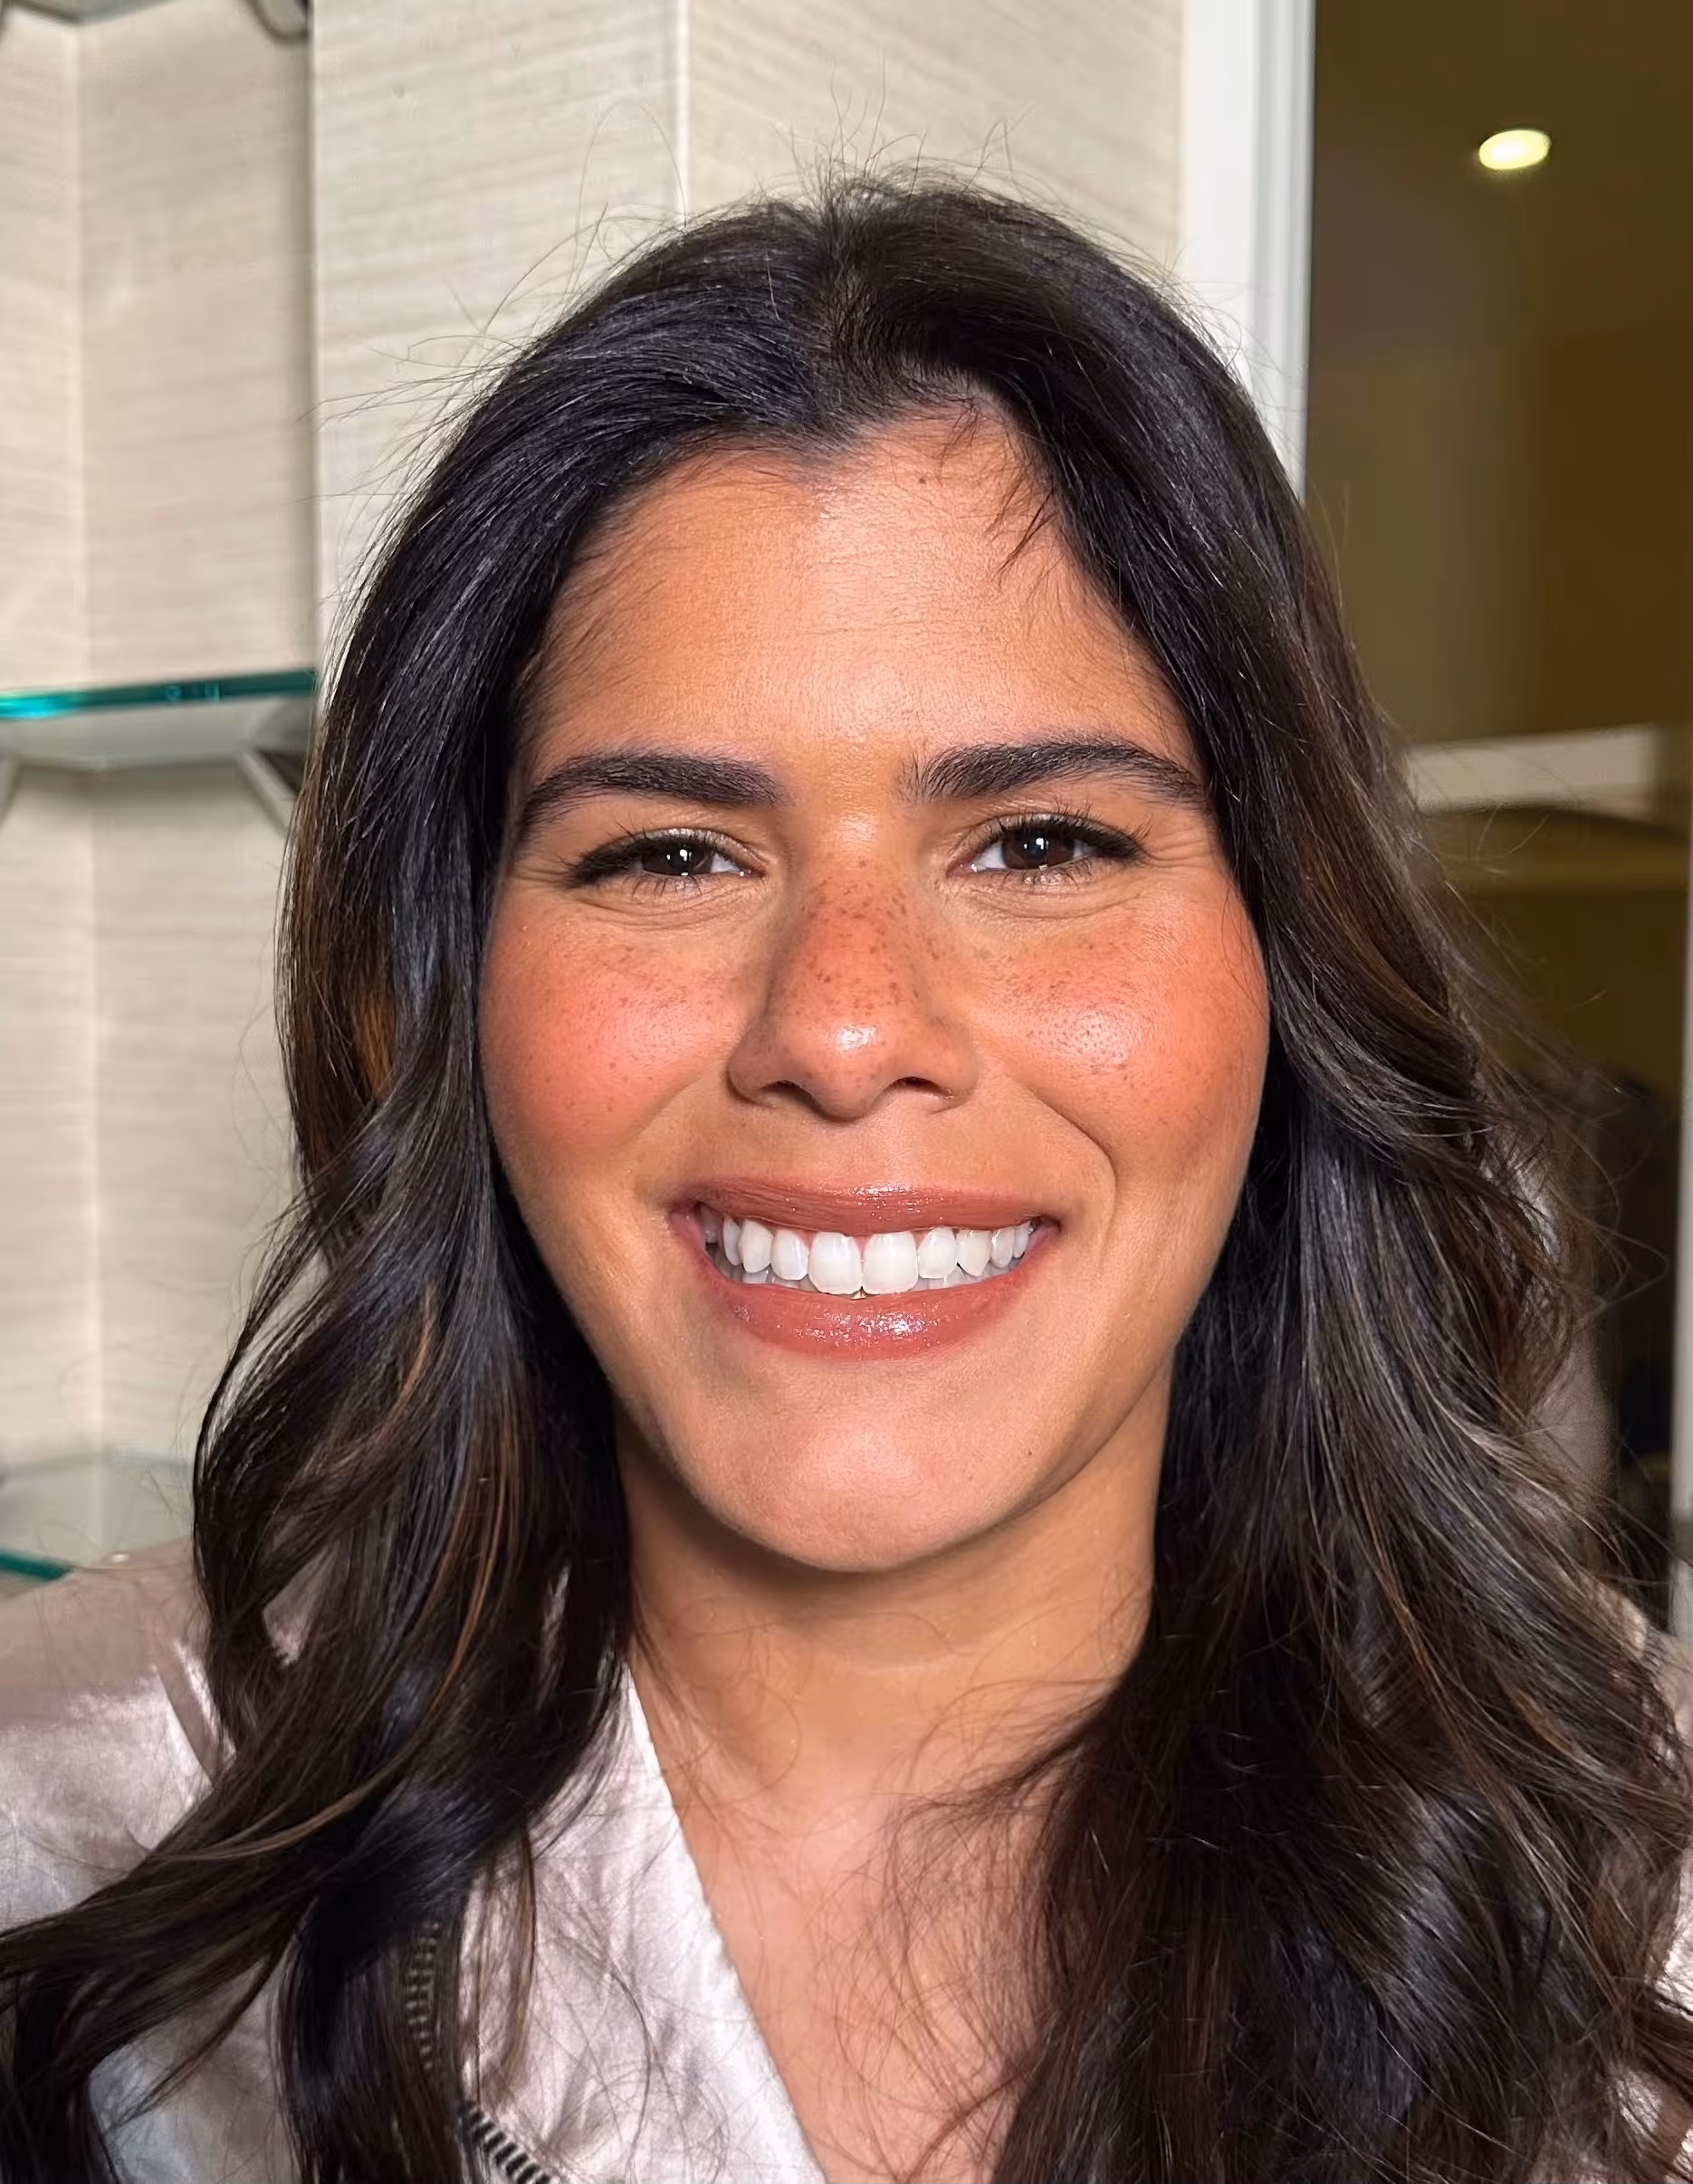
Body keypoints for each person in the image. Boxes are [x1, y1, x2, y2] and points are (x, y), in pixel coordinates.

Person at [2, 174, 1690, 2184]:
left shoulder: (1628, 1899)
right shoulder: (95, 1802)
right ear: (450, 991)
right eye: (668, 853)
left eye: (1042, 843)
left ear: (1285, 960)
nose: (839, 1025)